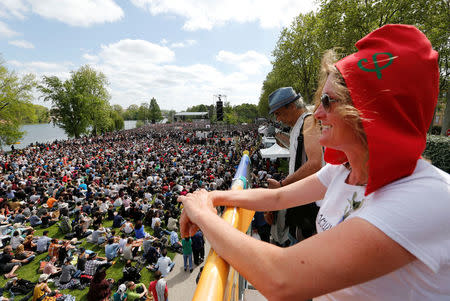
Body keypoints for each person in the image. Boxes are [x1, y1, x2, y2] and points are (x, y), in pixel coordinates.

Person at [178, 25, 450, 300]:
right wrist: (209, 196)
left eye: (328, 101)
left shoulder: (425, 198)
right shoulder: (344, 171)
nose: (317, 113)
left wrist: (202, 213)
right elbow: (277, 198)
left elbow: (281, 278)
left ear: (368, 113)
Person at [267, 87, 323, 245]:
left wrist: (281, 185)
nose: (277, 119)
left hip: (310, 207)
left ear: (291, 106)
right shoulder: (302, 124)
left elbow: (314, 164)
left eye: (278, 113)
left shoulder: (309, 121)